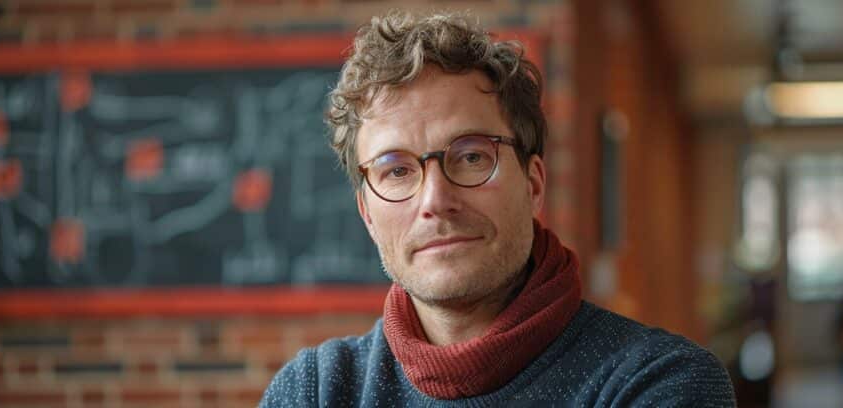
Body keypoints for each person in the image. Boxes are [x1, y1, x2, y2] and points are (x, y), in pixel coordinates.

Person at [260, 11, 735, 407]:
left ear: (533, 184)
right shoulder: (317, 390)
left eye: (470, 157)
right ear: (367, 212)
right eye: (397, 170)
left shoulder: (658, 382)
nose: (435, 200)